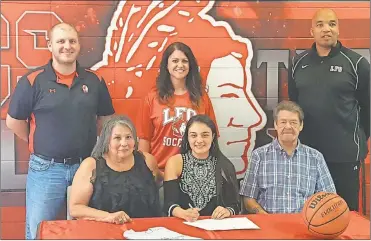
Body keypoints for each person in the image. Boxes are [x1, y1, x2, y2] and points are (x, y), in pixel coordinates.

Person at [5, 23, 115, 239]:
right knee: (40, 231)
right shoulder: (33, 81)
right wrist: (40, 140)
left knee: (88, 232)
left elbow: (106, 119)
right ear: (50, 45)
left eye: (72, 41)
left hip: (86, 167)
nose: (67, 46)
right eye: (61, 41)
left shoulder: (94, 81)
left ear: (79, 45)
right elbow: (13, 121)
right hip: (46, 169)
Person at [288, 8, 370, 211]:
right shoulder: (298, 63)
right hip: (308, 154)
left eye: (332, 24)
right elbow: (294, 106)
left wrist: (355, 140)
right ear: (312, 31)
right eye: (320, 25)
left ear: (338, 29)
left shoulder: (357, 63)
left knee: (345, 214)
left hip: (344, 155)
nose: (327, 29)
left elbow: (368, 108)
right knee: (311, 214)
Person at [240, 101, 336, 214]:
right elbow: (248, 198)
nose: (288, 126)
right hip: (269, 225)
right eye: (283, 122)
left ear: (301, 126)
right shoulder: (259, 156)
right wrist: (265, 217)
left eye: (293, 122)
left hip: (304, 225)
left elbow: (329, 198)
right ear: (275, 125)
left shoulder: (315, 157)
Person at [138, 42, 218, 176]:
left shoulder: (202, 98)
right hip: (159, 174)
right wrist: (151, 173)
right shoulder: (151, 98)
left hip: (194, 174)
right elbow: (144, 141)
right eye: (175, 61)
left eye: (184, 61)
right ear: (166, 65)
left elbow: (211, 138)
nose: (180, 65)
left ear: (190, 65)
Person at [69, 115, 162, 223]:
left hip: (146, 231)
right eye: (117, 138)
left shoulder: (148, 161)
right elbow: (76, 208)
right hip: (103, 231)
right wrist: (108, 216)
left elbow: (161, 182)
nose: (124, 143)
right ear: (106, 141)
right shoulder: (91, 165)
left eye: (128, 137)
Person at [163, 115, 240, 221]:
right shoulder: (175, 163)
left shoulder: (225, 165)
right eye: (193, 135)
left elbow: (236, 205)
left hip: (216, 226)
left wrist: (227, 211)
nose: (199, 140)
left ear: (213, 137)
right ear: (187, 137)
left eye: (205, 135)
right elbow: (168, 204)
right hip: (183, 224)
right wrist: (182, 213)